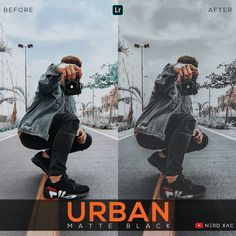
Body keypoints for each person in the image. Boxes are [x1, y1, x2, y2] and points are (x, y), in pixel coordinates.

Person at [18, 55, 92, 199]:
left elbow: (71, 120)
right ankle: (56, 181)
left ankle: (45, 158)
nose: (72, 78)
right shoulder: (50, 85)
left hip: (49, 134)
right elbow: (46, 80)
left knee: (87, 139)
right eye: (70, 72)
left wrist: (80, 131)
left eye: (76, 75)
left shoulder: (70, 97)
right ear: (63, 70)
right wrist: (58, 69)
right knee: (70, 119)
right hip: (31, 133)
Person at [135, 55, 209, 199]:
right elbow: (161, 81)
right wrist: (175, 68)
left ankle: (162, 158)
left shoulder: (187, 97)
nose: (187, 76)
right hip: (148, 133)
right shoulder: (166, 87)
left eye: (191, 74)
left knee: (202, 139)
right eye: (185, 71)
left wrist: (195, 131)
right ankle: (173, 182)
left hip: (167, 134)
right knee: (187, 119)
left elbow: (185, 123)